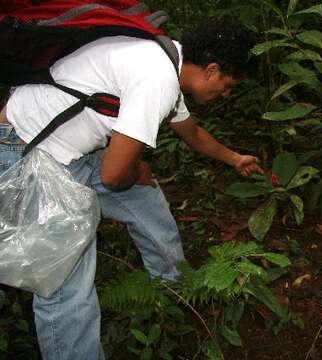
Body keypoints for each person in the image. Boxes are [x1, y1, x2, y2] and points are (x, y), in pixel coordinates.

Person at [0, 19, 263, 359]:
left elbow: (192, 134)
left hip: (67, 153)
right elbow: (112, 175)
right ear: (212, 70)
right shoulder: (158, 78)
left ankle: (174, 291)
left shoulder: (166, 58)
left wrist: (235, 159)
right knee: (65, 284)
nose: (225, 94)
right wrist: (131, 168)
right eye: (228, 85)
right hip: (28, 153)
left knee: (145, 196)